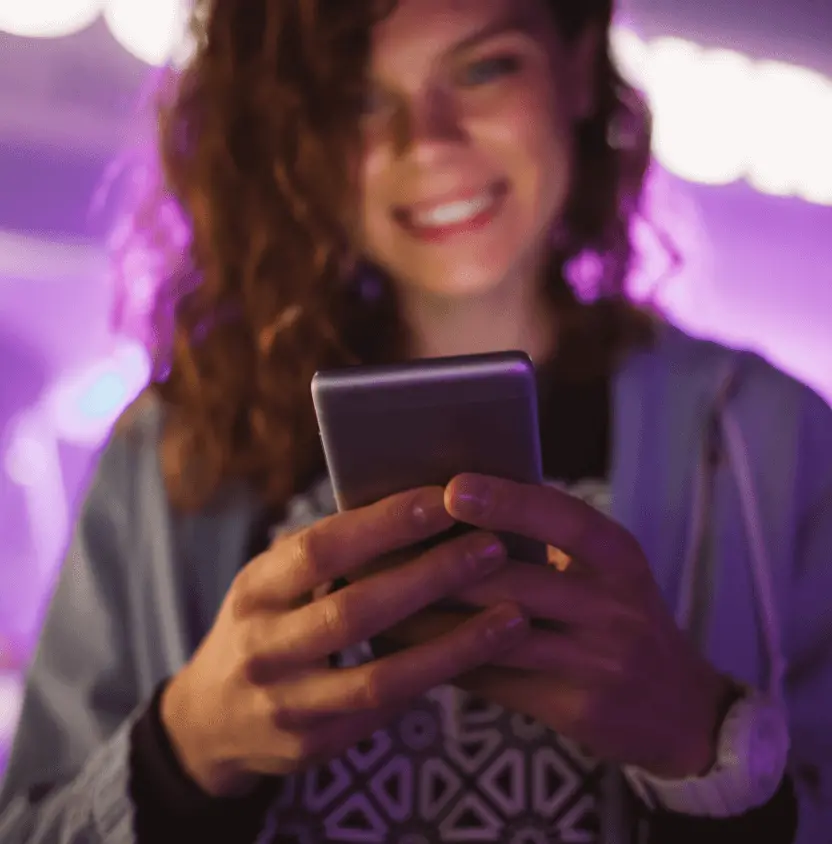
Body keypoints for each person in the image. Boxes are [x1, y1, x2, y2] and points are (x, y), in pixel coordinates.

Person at [1, 0, 830, 842]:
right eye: (358, 99)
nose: (426, 140)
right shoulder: (172, 446)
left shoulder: (774, 439)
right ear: (296, 137)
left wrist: (705, 739)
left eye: (482, 68)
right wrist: (183, 753)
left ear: (578, 70)